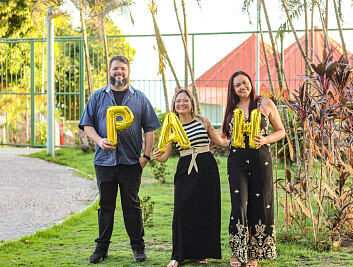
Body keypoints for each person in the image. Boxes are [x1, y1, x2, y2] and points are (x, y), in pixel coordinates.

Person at [78, 55, 161, 264]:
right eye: (115, 69)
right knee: (106, 205)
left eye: (123, 69)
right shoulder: (98, 97)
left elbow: (150, 128)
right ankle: (101, 249)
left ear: (128, 72)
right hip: (104, 162)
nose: (119, 72)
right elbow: (87, 125)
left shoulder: (140, 98)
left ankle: (138, 248)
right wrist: (99, 140)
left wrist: (147, 156)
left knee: (132, 205)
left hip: (131, 162)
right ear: (109, 71)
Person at [153, 89, 230, 267]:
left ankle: (200, 252)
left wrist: (240, 141)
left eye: (185, 100)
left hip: (207, 167)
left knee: (204, 209)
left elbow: (220, 142)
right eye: (178, 101)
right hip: (185, 168)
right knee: (181, 209)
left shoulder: (203, 121)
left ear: (191, 103)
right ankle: (178, 255)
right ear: (174, 104)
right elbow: (165, 156)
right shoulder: (172, 126)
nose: (181, 103)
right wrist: (157, 156)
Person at [221, 71, 285, 267]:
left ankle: (253, 254)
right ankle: (237, 251)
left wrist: (265, 139)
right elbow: (223, 138)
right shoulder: (232, 109)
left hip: (261, 161)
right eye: (237, 85)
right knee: (239, 204)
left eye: (245, 83)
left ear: (251, 83)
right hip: (237, 161)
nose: (242, 87)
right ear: (233, 89)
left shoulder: (264, 103)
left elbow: (281, 131)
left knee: (260, 204)